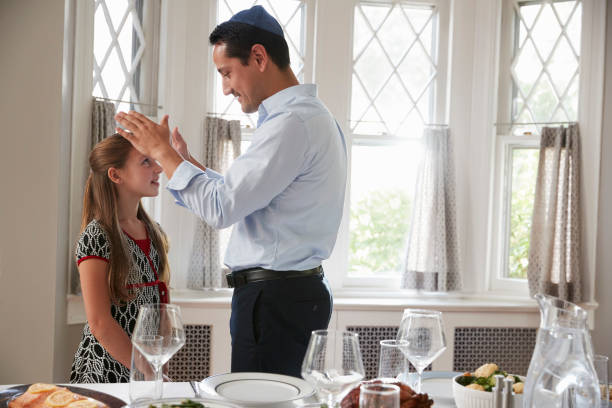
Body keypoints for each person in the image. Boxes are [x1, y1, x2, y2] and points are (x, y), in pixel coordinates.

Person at [114, 5, 347, 377]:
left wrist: (161, 153)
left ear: (258, 57)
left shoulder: (290, 125)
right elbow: (247, 198)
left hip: (273, 301)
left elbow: (223, 208)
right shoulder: (310, 117)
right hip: (289, 296)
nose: (224, 88)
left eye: (226, 73)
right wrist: (184, 163)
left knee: (260, 403)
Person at [70, 134, 170, 383]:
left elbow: (161, 303)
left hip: (145, 370)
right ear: (116, 175)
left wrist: (158, 365)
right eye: (146, 161)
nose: (158, 168)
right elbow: (100, 323)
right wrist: (146, 370)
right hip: (104, 371)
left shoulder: (155, 232)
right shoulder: (97, 235)